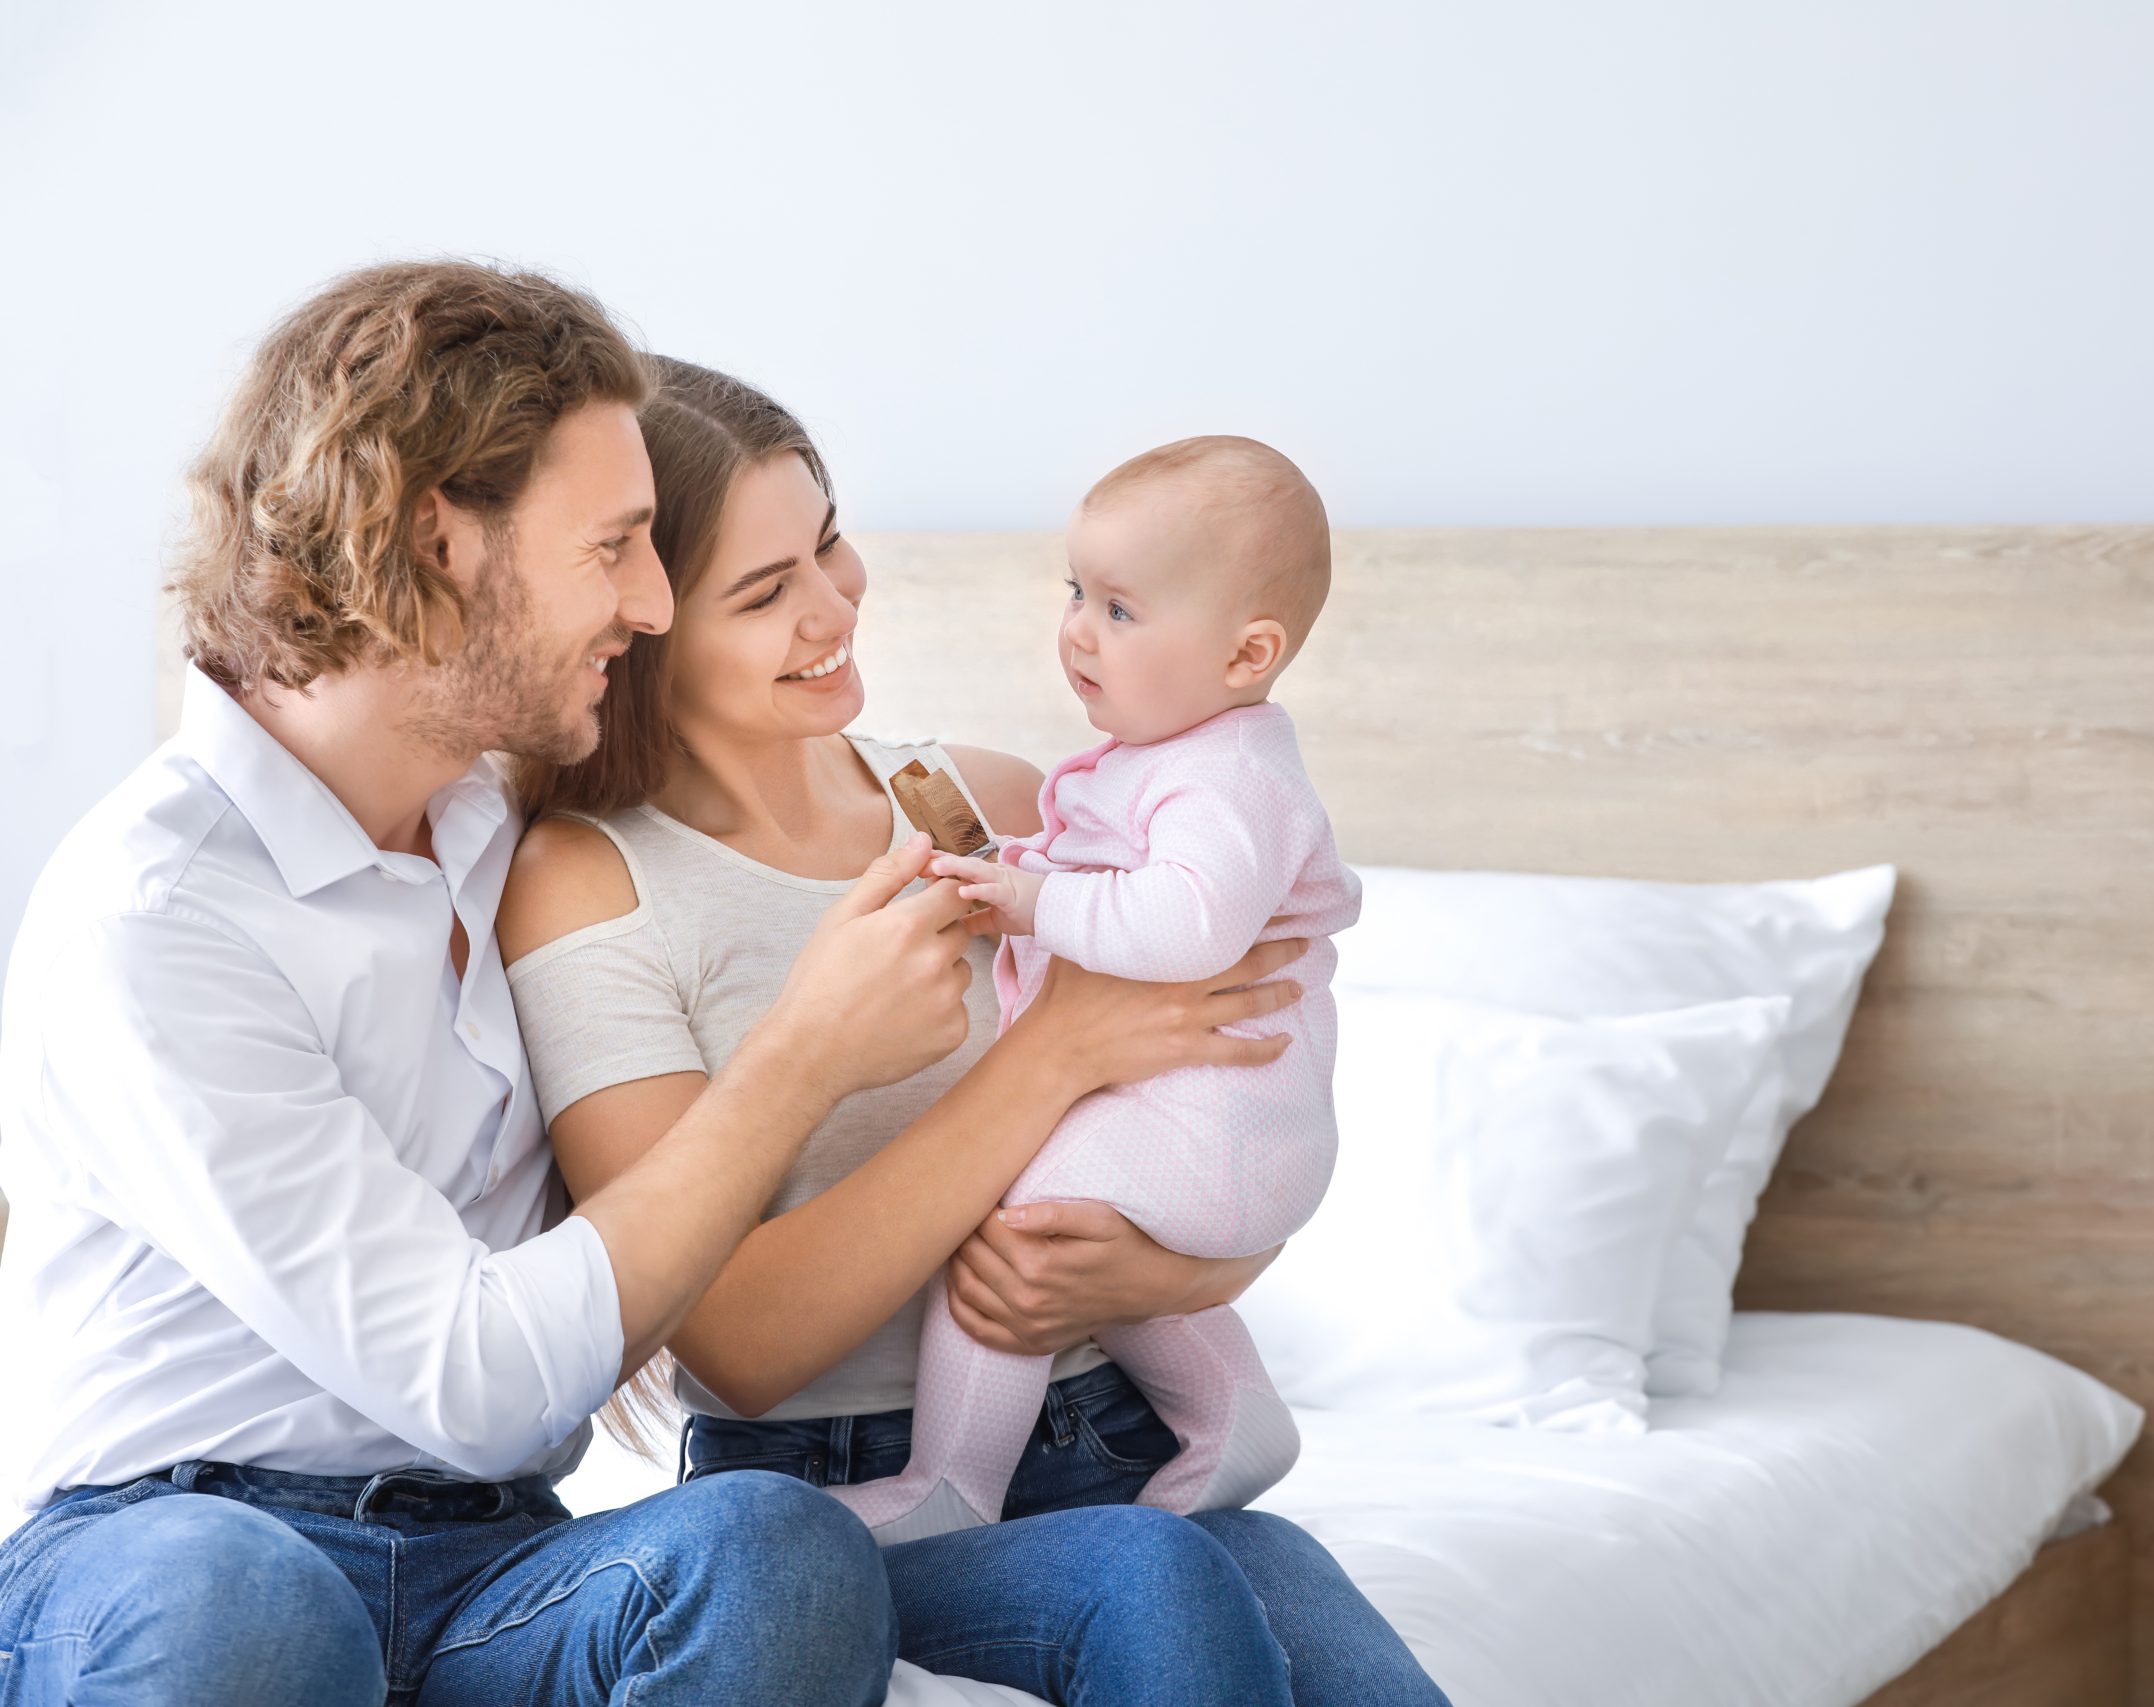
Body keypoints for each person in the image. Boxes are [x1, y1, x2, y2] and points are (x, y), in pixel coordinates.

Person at [0, 260, 1242, 1707]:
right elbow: (476, 1377)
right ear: (440, 538)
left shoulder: (495, 825)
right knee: (252, 1603)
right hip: (172, 1535)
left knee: (772, 1549)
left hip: (496, 1566)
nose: (650, 604)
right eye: (615, 548)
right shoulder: (158, 909)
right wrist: (804, 1054)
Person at [500, 360, 1450, 1706]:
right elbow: (741, 1340)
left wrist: (1155, 1277)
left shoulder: (986, 805)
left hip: (1127, 1431)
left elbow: (1241, 1103)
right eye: (767, 591)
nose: (833, 605)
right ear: (644, 619)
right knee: (1149, 1585)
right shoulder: (592, 882)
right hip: (845, 1486)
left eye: (827, 540)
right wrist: (1051, 1052)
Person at [843, 436, 1359, 1542]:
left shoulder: (1230, 779)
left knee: (1023, 1222)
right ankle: (1230, 1411)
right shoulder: (1173, 757)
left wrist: (1032, 904)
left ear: (1245, 653)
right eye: (1075, 591)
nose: (1077, 627)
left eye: (1120, 610)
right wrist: (1022, 872)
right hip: (1212, 1126)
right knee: (1069, 1225)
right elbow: (1122, 881)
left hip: (1223, 1124)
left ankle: (952, 1484)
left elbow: (1181, 924)